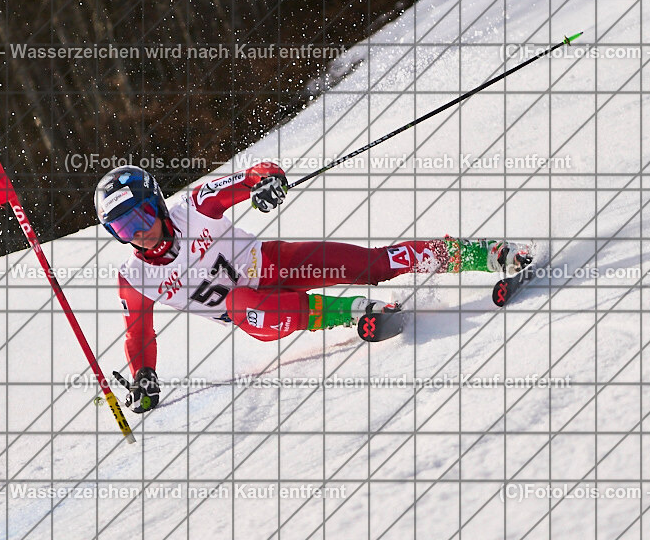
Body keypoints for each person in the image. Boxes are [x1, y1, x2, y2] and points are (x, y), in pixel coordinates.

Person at [94, 163, 532, 413]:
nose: (140, 233)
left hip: (276, 262)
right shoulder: (135, 278)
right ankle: (355, 313)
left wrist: (265, 183)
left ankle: (486, 254)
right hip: (259, 314)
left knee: (373, 264)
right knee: (240, 300)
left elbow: (254, 175)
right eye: (124, 228)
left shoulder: (194, 207)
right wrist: (144, 377)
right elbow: (138, 334)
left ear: (157, 203)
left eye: (142, 217)